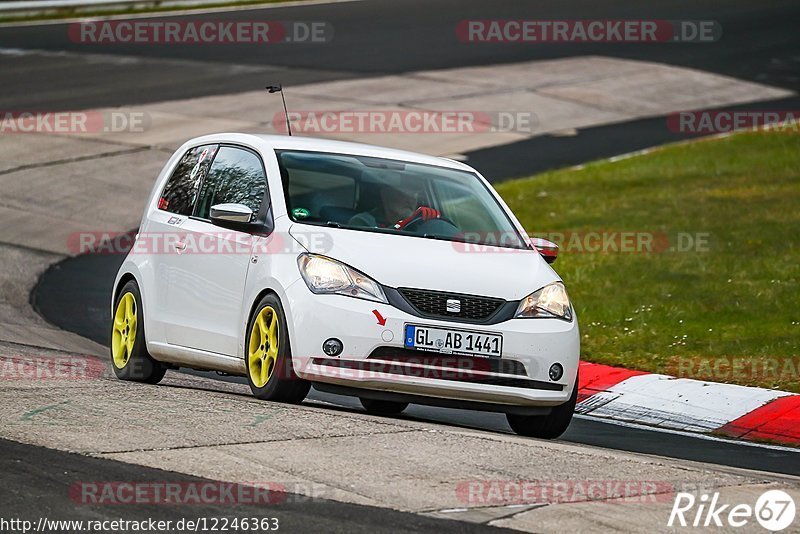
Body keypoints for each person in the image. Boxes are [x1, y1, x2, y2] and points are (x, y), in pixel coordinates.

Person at [348, 180, 440, 230]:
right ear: (385, 195)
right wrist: (402, 225)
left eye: (414, 195)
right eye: (404, 194)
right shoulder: (362, 221)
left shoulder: (421, 223)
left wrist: (435, 222)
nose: (410, 200)